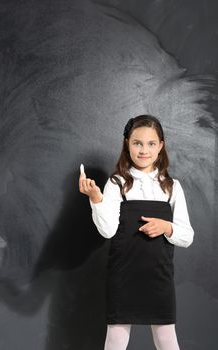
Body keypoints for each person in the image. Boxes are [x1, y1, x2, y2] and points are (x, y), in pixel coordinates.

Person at [78, 114, 194, 350]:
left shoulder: (172, 187)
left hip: (158, 276)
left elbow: (187, 236)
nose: (144, 150)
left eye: (151, 144)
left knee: (166, 338)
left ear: (161, 146)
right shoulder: (117, 183)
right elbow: (108, 231)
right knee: (116, 339)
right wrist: (96, 198)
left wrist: (166, 227)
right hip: (123, 275)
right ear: (127, 144)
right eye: (137, 143)